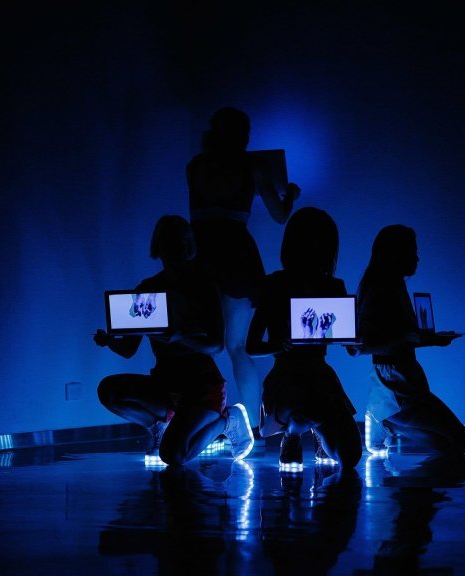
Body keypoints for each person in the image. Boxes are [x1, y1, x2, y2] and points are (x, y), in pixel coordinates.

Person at [94, 215, 255, 464]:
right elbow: (128, 349)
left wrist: (180, 337)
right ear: (159, 246)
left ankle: (226, 421)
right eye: (168, 242)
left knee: (172, 455)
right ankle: (159, 425)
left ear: (189, 245)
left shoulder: (203, 285)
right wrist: (108, 340)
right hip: (166, 386)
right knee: (109, 391)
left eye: (180, 242)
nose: (174, 248)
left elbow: (217, 346)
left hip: (202, 388)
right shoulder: (148, 288)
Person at [186, 107, 301, 436]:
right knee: (238, 346)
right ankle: (251, 425)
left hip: (202, 251)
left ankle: (202, 418)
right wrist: (290, 195)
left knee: (205, 341)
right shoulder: (253, 167)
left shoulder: (196, 166)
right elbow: (280, 216)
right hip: (236, 252)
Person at [246, 207, 362, 470]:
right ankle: (294, 434)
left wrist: (350, 337)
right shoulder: (274, 284)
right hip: (287, 378)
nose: (317, 247)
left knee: (350, 456)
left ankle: (312, 429)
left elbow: (348, 340)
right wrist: (278, 345)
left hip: (320, 377)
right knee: (307, 407)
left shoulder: (333, 286)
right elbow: (251, 346)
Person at [348, 224, 465, 455]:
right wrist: (409, 339)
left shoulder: (394, 285)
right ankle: (386, 418)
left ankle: (386, 420)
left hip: (404, 378)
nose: (417, 258)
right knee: (459, 442)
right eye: (412, 251)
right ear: (395, 254)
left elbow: (400, 338)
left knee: (456, 443)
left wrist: (431, 340)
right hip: (395, 381)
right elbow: (360, 346)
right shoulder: (379, 289)